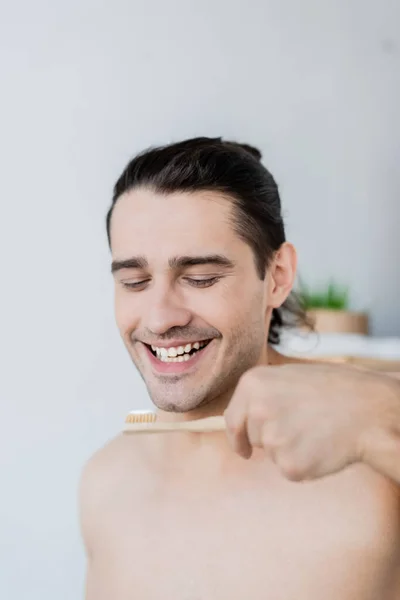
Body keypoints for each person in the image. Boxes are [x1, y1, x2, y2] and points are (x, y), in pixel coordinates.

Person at [80, 137, 400, 600]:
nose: (158, 317)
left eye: (200, 278)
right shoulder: (103, 484)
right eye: (135, 281)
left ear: (277, 277)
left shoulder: (375, 453)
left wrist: (379, 408)